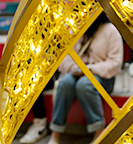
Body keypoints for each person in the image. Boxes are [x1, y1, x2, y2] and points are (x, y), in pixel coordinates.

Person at [48, 13, 123, 144]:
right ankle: (56, 132)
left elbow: (115, 64)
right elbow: (63, 57)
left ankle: (99, 131)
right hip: (76, 73)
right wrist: (74, 68)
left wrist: (89, 69)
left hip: (102, 77)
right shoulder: (75, 29)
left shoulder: (111, 30)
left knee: (85, 84)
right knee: (65, 83)